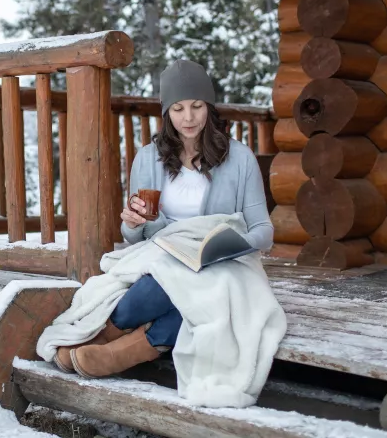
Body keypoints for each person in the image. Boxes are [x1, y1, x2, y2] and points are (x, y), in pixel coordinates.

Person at [54, 59, 275, 378]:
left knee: (206, 301)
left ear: (209, 108)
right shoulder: (147, 158)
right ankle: (105, 337)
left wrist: (231, 245)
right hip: (165, 254)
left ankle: (118, 353)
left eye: (197, 106)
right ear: (166, 113)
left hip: (226, 263)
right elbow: (136, 235)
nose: (188, 117)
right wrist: (132, 223)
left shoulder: (240, 159)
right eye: (178, 108)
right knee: (158, 287)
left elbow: (263, 230)